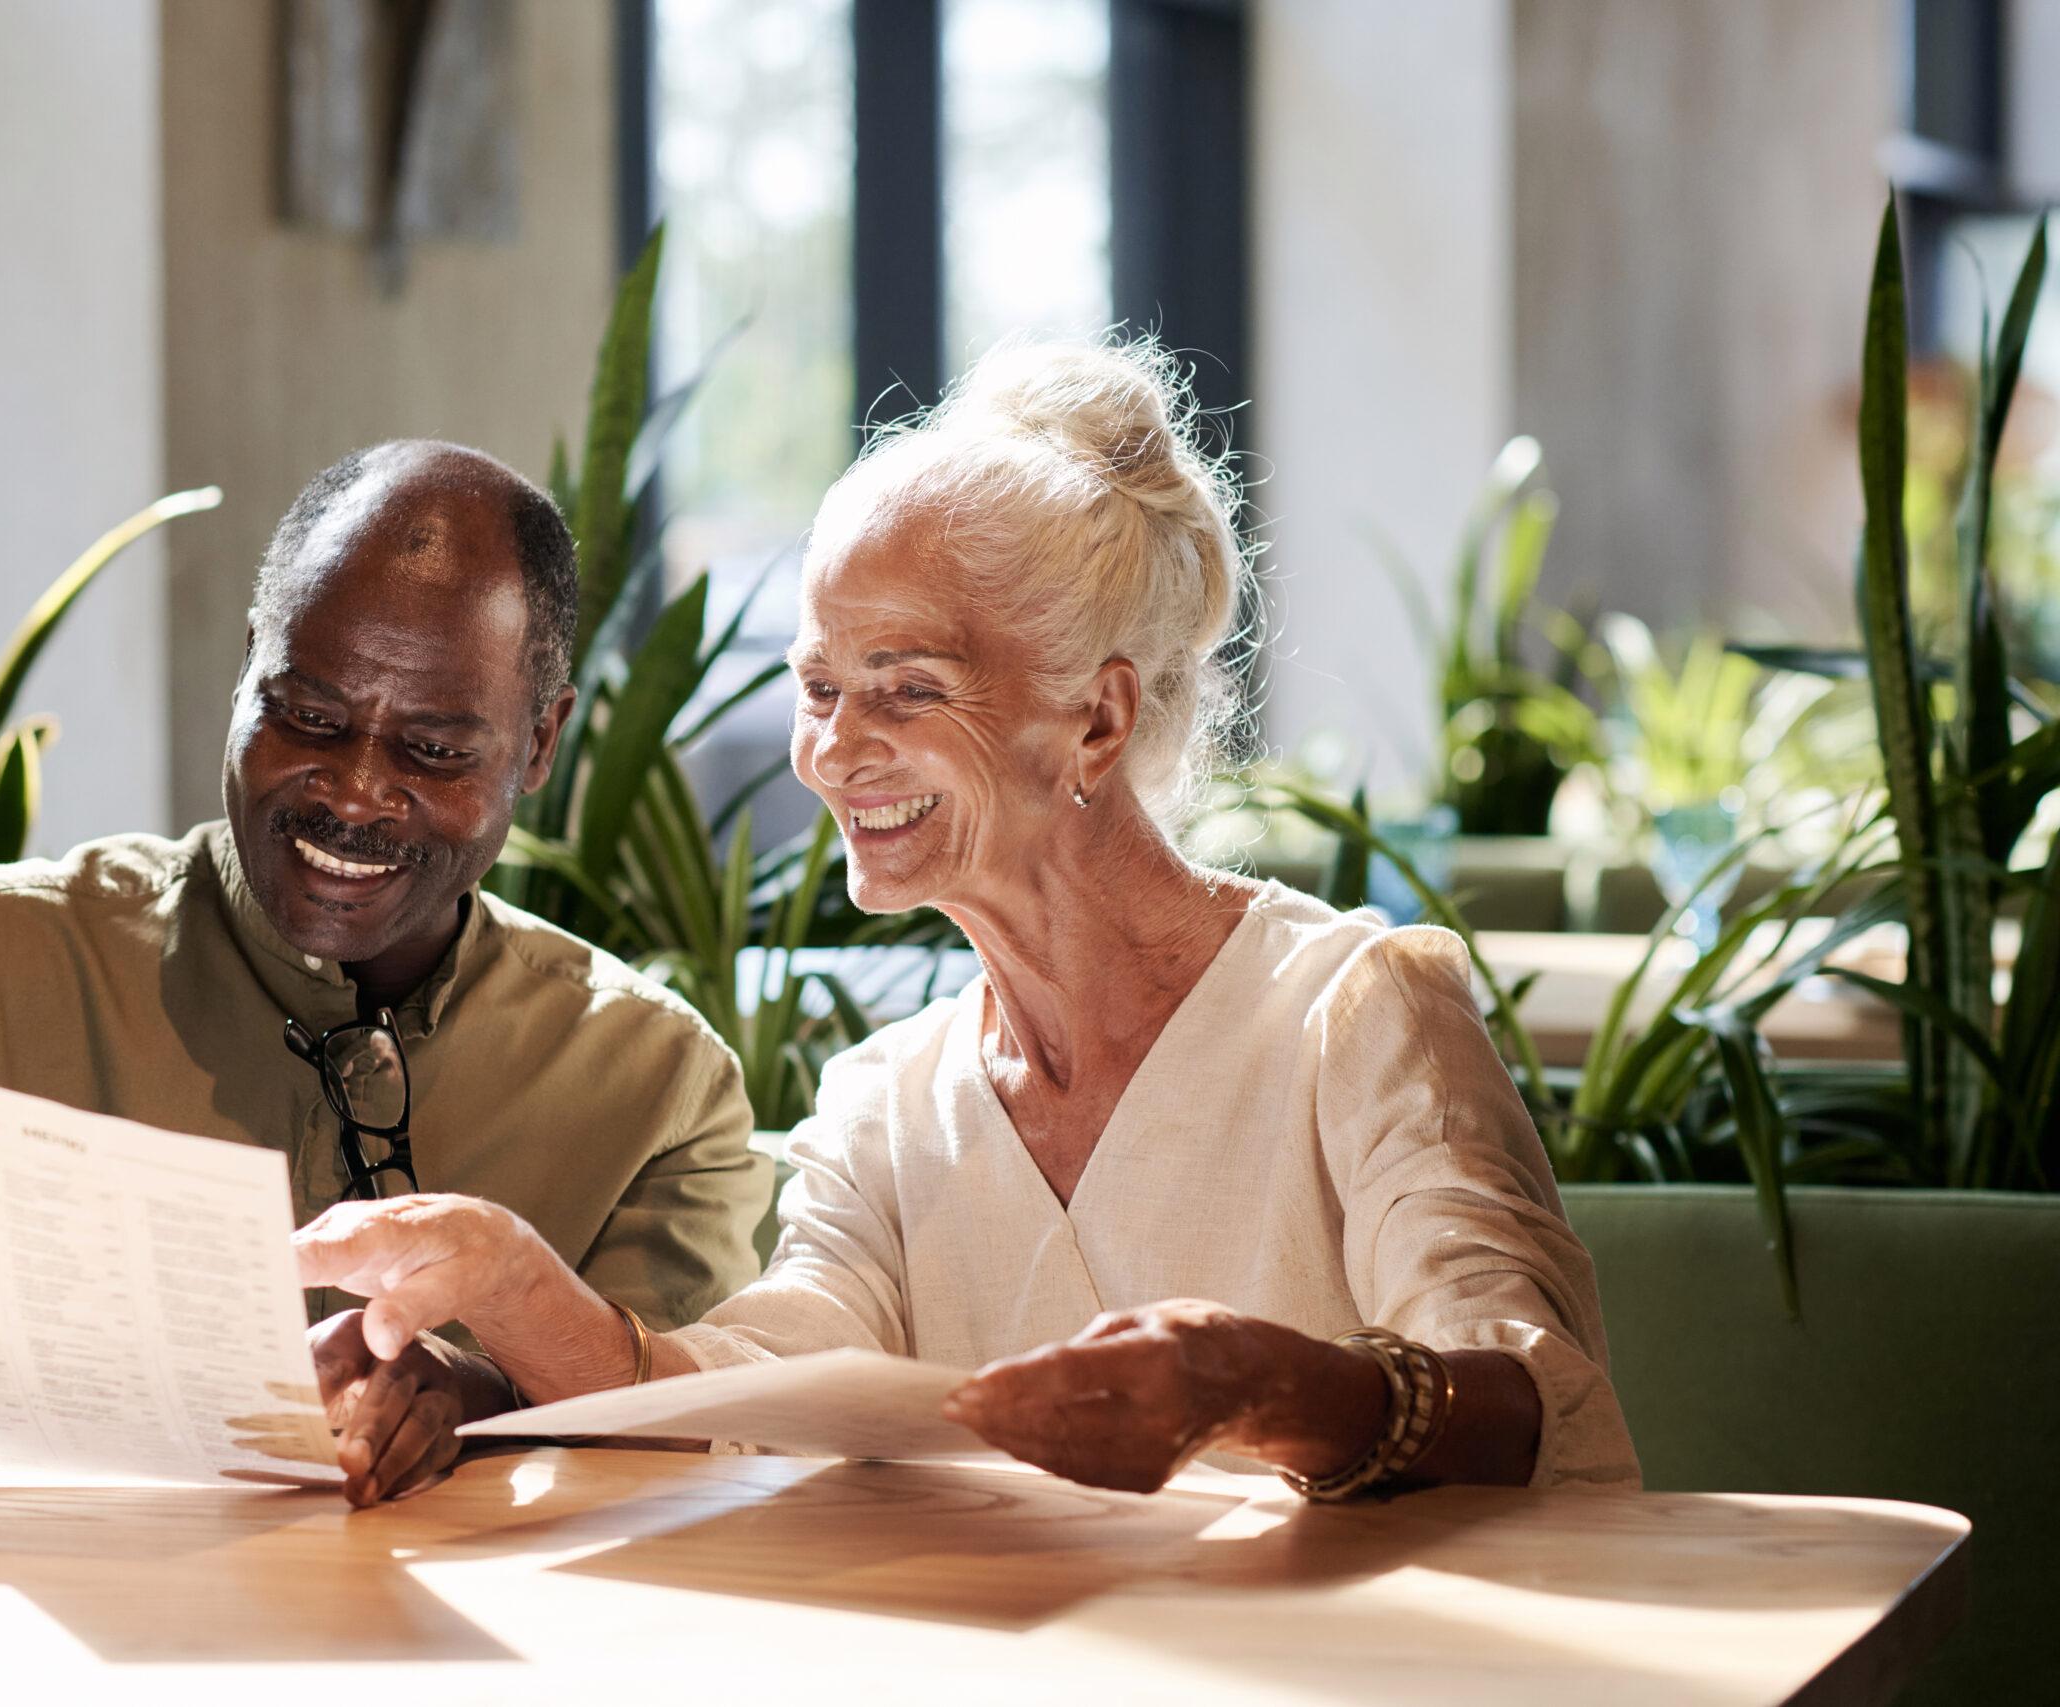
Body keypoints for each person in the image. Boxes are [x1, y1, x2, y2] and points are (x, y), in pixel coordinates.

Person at [294, 342, 1641, 1496]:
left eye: (906, 687)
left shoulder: (1355, 1006)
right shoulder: (890, 1095)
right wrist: (510, 1276)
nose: (832, 751)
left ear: (1099, 717)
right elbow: (748, 1385)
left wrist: (1258, 1383)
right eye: (818, 687)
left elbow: (1533, 1400)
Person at [0, 441, 768, 1505]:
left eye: (435, 749)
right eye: (308, 715)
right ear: (245, 671)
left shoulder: (653, 1084)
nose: (351, 793)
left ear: (540, 743)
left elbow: (693, 1424)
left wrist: (484, 1389)